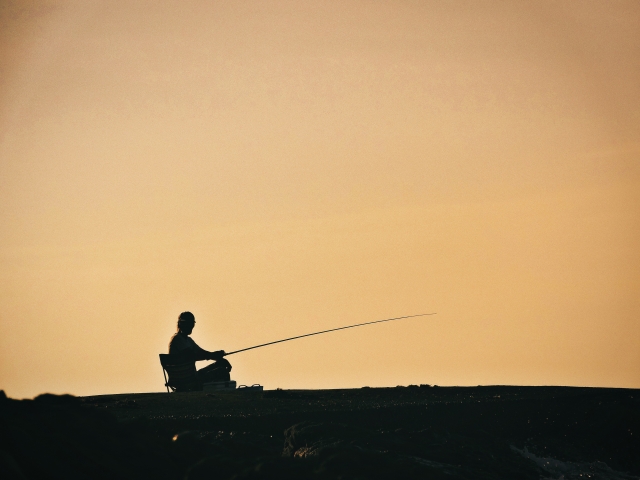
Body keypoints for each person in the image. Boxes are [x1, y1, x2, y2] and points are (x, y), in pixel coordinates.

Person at [169, 311, 232, 383]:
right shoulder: (178, 339)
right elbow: (192, 356)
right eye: (189, 324)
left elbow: (202, 352)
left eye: (192, 324)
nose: (191, 326)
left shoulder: (188, 340)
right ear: (182, 324)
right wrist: (213, 355)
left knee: (220, 364)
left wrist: (216, 356)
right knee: (222, 371)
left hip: (192, 376)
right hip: (188, 379)